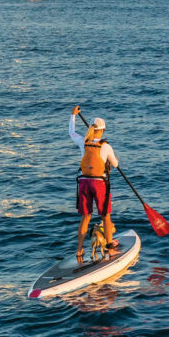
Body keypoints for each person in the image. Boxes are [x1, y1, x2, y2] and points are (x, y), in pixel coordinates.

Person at [69, 106, 120, 262]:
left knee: (85, 217)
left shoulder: (83, 141)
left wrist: (73, 116)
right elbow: (116, 164)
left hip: (83, 182)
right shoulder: (105, 146)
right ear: (102, 131)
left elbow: (71, 133)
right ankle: (110, 249)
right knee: (106, 217)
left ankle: (79, 250)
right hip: (99, 184)